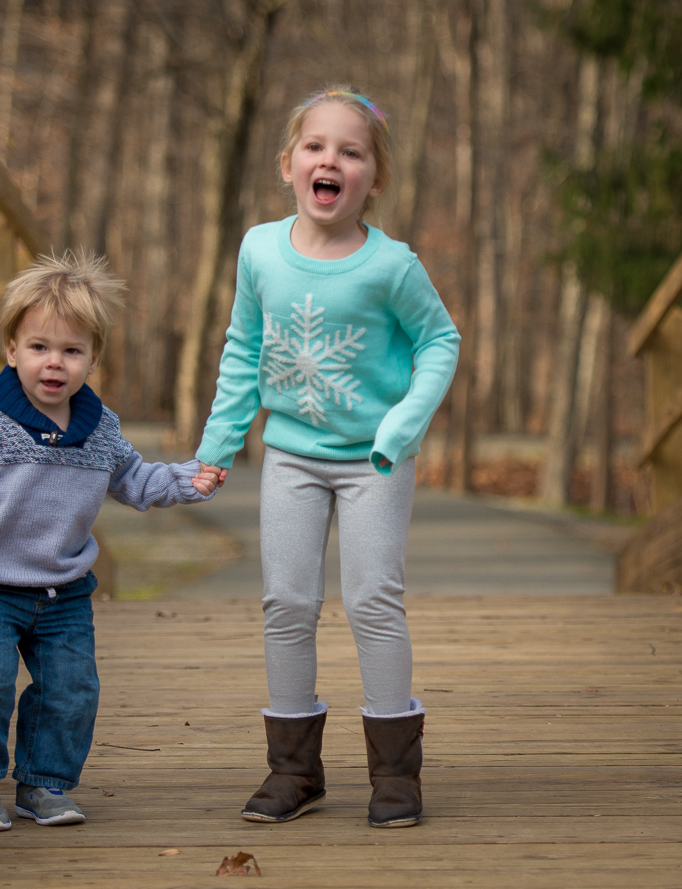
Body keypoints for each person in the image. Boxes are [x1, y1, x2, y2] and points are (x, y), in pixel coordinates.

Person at [192, 86, 459, 829]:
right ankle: (293, 769)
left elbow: (442, 341)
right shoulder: (259, 251)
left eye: (351, 151)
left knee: (373, 599)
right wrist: (217, 447)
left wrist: (403, 424)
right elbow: (244, 349)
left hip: (375, 461)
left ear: (374, 178)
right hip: (291, 457)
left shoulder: (391, 267)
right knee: (287, 602)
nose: (330, 160)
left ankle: (396, 774)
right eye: (316, 146)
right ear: (288, 164)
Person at [0, 251, 220, 832]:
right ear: (11, 350)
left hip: (65, 590)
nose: (54, 363)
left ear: (93, 358)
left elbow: (133, 480)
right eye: (39, 347)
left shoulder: (99, 429)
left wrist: (187, 479)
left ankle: (44, 783)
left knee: (72, 688)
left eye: (71, 351)